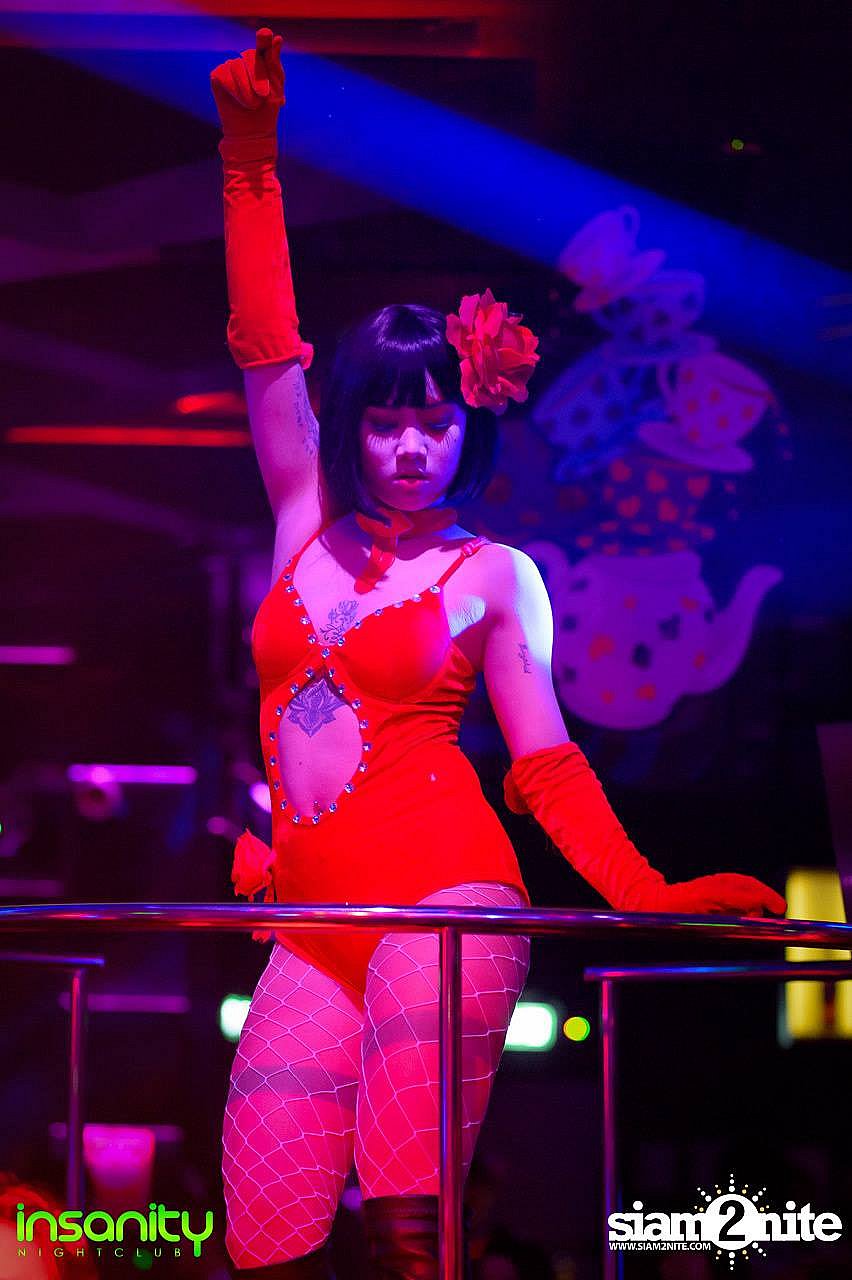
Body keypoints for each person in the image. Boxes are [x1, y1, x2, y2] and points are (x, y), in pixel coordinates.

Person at [210, 29, 787, 1280]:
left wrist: (641, 888)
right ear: (355, 426)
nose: (412, 447)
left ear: (467, 425)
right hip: (310, 918)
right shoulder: (303, 514)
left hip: (447, 902)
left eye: (435, 421)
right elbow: (265, 349)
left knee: (406, 1232)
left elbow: (546, 761)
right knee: (262, 1240)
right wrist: (248, 157)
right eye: (387, 421)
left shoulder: (496, 573)